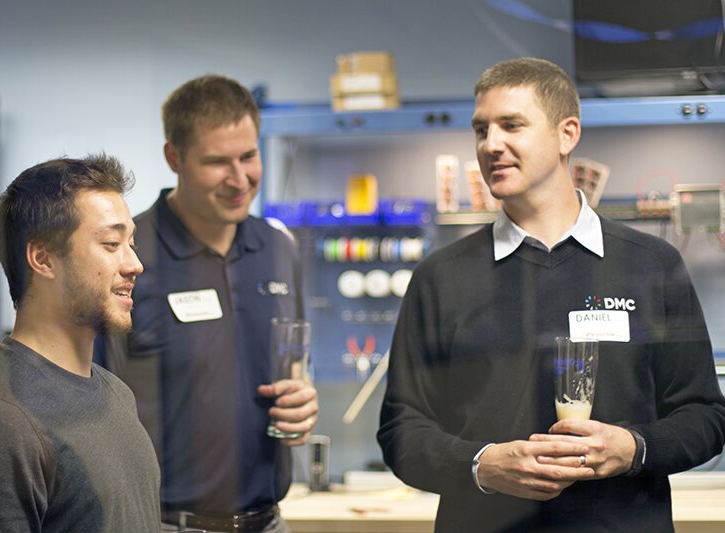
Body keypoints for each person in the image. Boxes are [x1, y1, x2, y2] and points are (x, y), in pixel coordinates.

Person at [377, 57, 725, 531]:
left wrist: (633, 448)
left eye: (511, 125)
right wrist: (482, 464)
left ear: (567, 134)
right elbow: (401, 431)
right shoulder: (441, 277)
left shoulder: (651, 264)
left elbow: (705, 416)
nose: (491, 145)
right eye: (481, 130)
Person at [95, 75, 318, 533]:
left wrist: (302, 399)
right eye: (217, 162)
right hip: (164, 523)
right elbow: (92, 406)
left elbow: (293, 367)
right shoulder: (127, 255)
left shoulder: (279, 247)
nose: (240, 180)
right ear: (173, 158)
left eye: (249, 157)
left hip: (269, 521)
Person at [0, 155, 161, 532]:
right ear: (42, 258)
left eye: (131, 243)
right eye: (111, 243)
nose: (134, 263)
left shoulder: (117, 395)